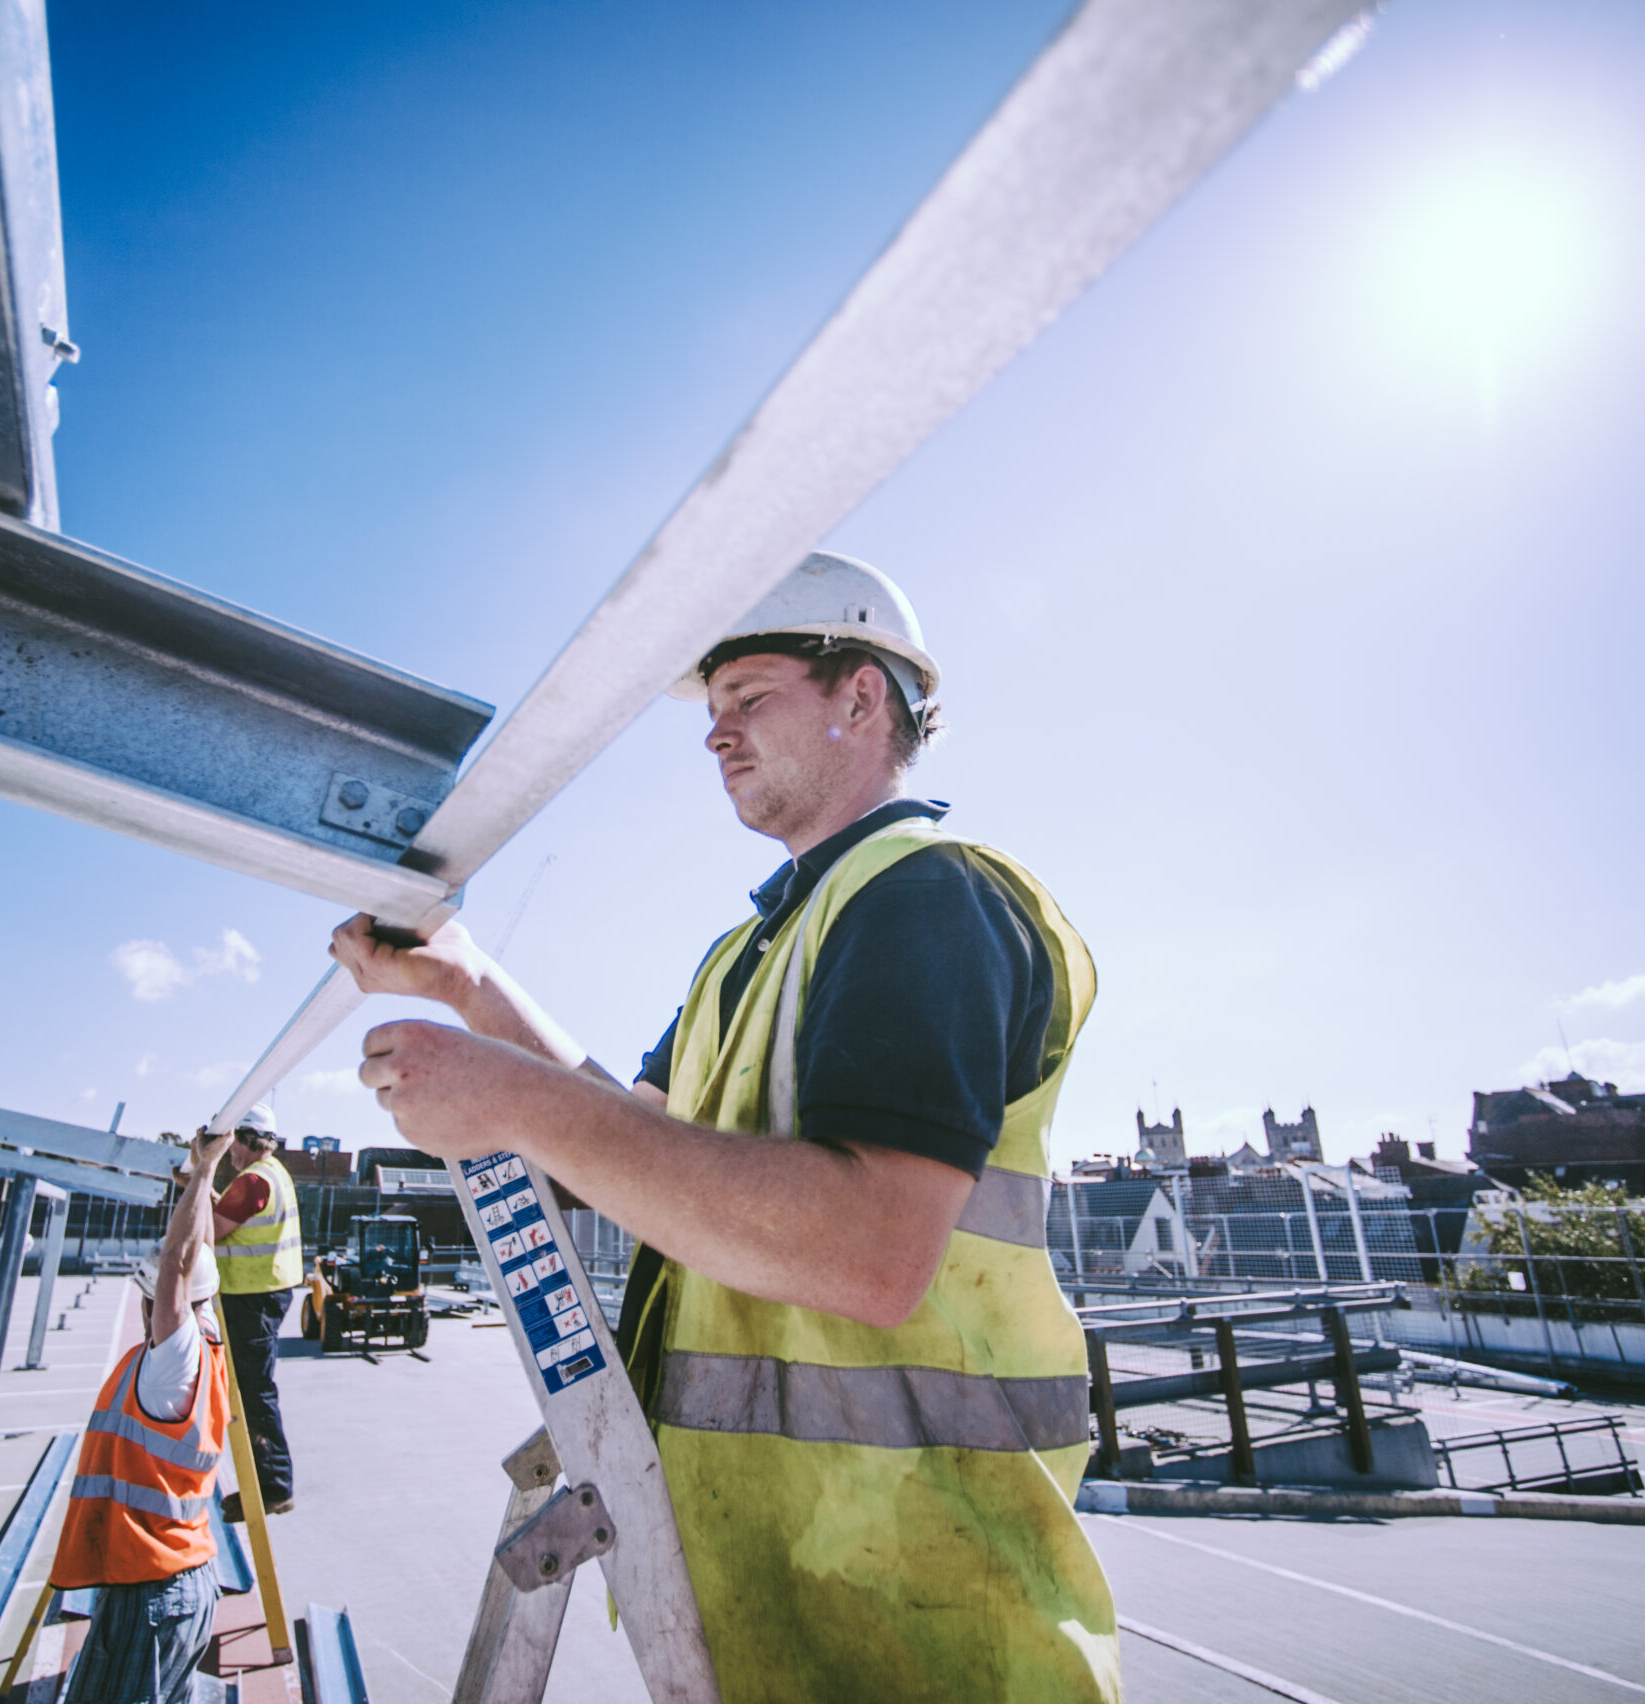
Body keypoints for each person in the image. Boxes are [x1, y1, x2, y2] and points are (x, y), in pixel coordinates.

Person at [330, 553, 1118, 1704]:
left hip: (929, 1628)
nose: (716, 735)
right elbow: (625, 1147)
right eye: (712, 711)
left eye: (748, 699)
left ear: (863, 698)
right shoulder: (754, 950)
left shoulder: (927, 895)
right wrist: (465, 985)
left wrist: (508, 1097)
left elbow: (868, 1248)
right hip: (776, 1604)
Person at [48, 1124, 235, 1704]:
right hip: (172, 1579)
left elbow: (179, 1266)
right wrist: (195, 1187)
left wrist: (206, 1170)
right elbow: (194, 1261)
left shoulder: (172, 1363)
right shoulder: (203, 1342)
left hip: (154, 1589)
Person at [207, 1102, 299, 1517]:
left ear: (245, 1140)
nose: (228, 1153)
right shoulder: (272, 1174)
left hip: (251, 1299)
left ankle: (272, 1488)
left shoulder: (251, 1181)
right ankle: (267, 1484)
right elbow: (230, 1213)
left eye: (230, 1144)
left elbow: (210, 1228)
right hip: (264, 1295)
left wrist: (198, 1177)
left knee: (253, 1395)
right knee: (254, 1392)